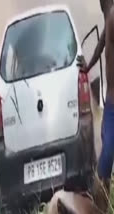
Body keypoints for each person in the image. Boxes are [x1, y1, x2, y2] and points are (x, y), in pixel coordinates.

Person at [78, 0, 114, 212]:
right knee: (104, 168)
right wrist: (89, 64)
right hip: (110, 105)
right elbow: (102, 43)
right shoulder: (109, 17)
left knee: (104, 166)